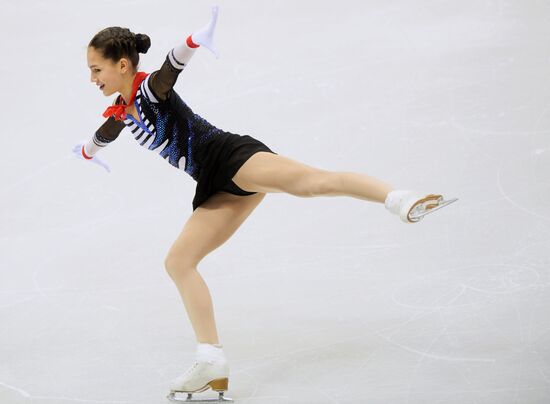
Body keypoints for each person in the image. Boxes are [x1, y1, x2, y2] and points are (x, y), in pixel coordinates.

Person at [73, 6, 456, 402]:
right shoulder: (122, 107)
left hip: (230, 157)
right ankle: (211, 361)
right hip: (213, 183)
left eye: (96, 69)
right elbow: (107, 131)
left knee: (312, 183)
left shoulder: (150, 89)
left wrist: (193, 41)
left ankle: (400, 198)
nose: (91, 78)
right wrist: (87, 150)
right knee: (179, 262)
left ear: (122, 64)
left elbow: (172, 66)